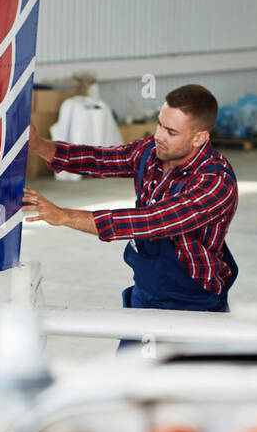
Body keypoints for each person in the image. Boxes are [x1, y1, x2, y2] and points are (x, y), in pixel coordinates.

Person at [23, 84, 239, 318]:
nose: (159, 136)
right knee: (132, 355)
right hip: (146, 290)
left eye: (171, 132)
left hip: (193, 301)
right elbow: (100, 159)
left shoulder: (215, 182)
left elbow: (151, 221)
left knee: (184, 356)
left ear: (199, 138)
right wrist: (38, 144)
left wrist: (65, 216)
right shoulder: (152, 152)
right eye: (159, 124)